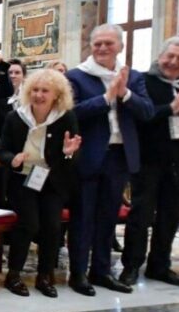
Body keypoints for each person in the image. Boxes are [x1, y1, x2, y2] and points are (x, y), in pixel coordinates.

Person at [66, 23, 154, 296]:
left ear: (120, 46)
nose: (103, 48)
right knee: (83, 216)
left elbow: (148, 112)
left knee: (108, 217)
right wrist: (106, 98)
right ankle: (78, 272)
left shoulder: (134, 77)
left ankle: (101, 271)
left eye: (109, 43)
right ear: (90, 47)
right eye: (97, 44)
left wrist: (124, 93)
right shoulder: (76, 76)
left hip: (119, 156)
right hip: (89, 155)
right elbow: (72, 113)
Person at [120, 37, 179, 287]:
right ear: (160, 56)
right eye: (170, 56)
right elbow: (145, 116)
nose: (173, 62)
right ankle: (131, 265)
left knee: (170, 216)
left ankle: (159, 266)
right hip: (148, 159)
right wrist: (175, 106)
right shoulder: (143, 81)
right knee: (141, 215)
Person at [0, 69, 82, 297]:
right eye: (35, 90)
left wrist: (67, 153)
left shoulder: (66, 118)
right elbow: (3, 150)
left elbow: (71, 157)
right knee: (29, 224)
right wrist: (12, 159)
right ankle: (13, 275)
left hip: (52, 181)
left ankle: (45, 276)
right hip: (22, 179)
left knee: (53, 226)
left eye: (45, 91)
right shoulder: (15, 117)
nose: (39, 95)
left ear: (56, 94)